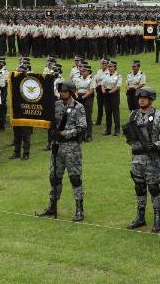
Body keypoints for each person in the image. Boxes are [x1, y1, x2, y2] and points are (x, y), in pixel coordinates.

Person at [125, 87, 160, 232]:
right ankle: (140, 217)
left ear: (151, 100)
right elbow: (128, 136)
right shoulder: (133, 115)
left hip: (152, 159)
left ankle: (158, 218)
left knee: (153, 188)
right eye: (139, 97)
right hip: (136, 158)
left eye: (144, 98)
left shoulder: (159, 116)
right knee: (139, 187)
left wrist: (157, 144)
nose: (141, 100)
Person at [38, 82, 87, 221]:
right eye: (60, 91)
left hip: (71, 147)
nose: (62, 93)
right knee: (54, 177)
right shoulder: (57, 105)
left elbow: (82, 126)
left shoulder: (79, 107)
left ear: (71, 92)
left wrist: (67, 133)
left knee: (75, 178)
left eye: (65, 91)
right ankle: (52, 206)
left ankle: (79, 209)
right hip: (57, 147)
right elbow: (48, 120)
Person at [97, 61, 121, 136]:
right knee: (107, 112)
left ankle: (117, 130)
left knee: (115, 112)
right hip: (106, 94)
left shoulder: (118, 76)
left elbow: (117, 87)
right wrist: (103, 90)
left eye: (111, 66)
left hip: (114, 94)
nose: (109, 68)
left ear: (115, 67)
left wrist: (110, 92)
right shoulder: (105, 75)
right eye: (109, 66)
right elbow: (102, 84)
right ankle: (108, 129)